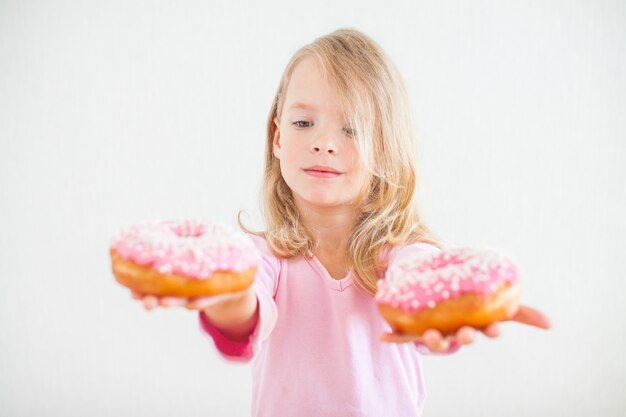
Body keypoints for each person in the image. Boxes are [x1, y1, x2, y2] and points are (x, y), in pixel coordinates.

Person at [131, 28, 551, 416]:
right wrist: (223, 295)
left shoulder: (402, 258)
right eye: (303, 122)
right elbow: (246, 310)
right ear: (277, 137)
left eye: (351, 129)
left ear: (384, 150)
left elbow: (421, 291)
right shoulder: (263, 257)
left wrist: (452, 311)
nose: (323, 143)